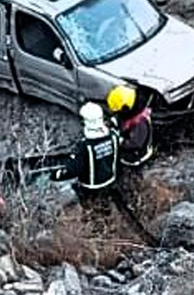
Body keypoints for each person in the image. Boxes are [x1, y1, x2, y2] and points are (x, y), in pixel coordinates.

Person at [52, 102, 144, 232]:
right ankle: (108, 225)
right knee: (105, 206)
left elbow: (73, 170)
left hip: (91, 187)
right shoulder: (113, 137)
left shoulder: (85, 146)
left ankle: (98, 233)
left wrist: (56, 174)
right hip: (110, 181)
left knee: (92, 211)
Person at [105, 84, 155, 168]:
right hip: (129, 138)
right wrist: (111, 122)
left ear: (125, 109)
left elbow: (135, 143)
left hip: (136, 156)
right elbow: (120, 118)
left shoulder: (140, 122)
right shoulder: (131, 109)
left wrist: (117, 140)